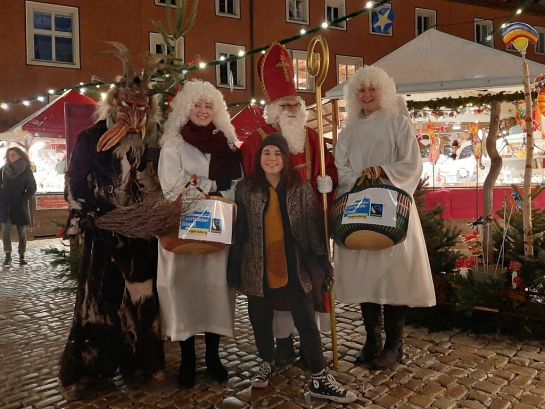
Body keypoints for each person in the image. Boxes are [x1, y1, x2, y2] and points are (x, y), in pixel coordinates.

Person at [58, 42, 164, 397]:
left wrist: (152, 206)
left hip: (139, 238)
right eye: (127, 104)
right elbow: (74, 180)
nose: (134, 112)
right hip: (102, 233)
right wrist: (86, 217)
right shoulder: (92, 139)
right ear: (114, 103)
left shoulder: (152, 142)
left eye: (142, 106)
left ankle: (138, 364)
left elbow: (157, 186)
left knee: (140, 303)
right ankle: (90, 370)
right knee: (99, 305)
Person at [230, 133, 356, 403]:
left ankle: (319, 377)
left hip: (293, 265)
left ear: (286, 159)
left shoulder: (299, 188)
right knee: (260, 318)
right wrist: (234, 263)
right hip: (257, 265)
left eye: (277, 153)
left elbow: (311, 227)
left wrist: (323, 261)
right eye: (267, 153)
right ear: (259, 158)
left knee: (306, 321)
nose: (272, 158)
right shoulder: (246, 188)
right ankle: (266, 360)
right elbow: (240, 232)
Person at [240, 43, 338, 365]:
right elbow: (249, 183)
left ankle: (312, 350)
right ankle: (282, 347)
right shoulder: (258, 139)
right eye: (286, 105)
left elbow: (330, 169)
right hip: (274, 228)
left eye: (296, 103)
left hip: (310, 227)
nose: (293, 109)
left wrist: (329, 185)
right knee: (278, 287)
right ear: (273, 109)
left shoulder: (312, 137)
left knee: (312, 285)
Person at [333, 66, 436, 370]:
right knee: (367, 275)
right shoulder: (349, 130)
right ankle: (371, 339)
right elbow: (340, 165)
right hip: (359, 207)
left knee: (393, 276)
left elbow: (411, 164)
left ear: (383, 91)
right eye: (361, 90)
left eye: (372, 89)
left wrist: (384, 173)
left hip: (393, 207)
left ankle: (395, 344)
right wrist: (357, 178)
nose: (366, 95)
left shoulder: (398, 124)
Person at [157, 79, 242, 388]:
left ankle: (214, 357)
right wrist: (208, 186)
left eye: (209, 106)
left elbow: (236, 185)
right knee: (183, 291)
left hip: (217, 227)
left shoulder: (227, 144)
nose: (203, 111)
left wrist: (202, 184)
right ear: (185, 108)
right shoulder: (174, 143)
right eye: (197, 105)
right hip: (182, 227)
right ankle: (188, 359)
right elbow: (171, 185)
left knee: (214, 290)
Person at [0, 147, 37, 266]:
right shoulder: (3, 170)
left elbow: (32, 187)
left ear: (20, 155)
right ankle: (8, 255)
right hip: (5, 205)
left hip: (19, 204)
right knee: (5, 231)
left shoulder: (26, 170)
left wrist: (23, 198)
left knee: (21, 231)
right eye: (9, 155)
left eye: (13, 154)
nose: (11, 156)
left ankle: (22, 255)